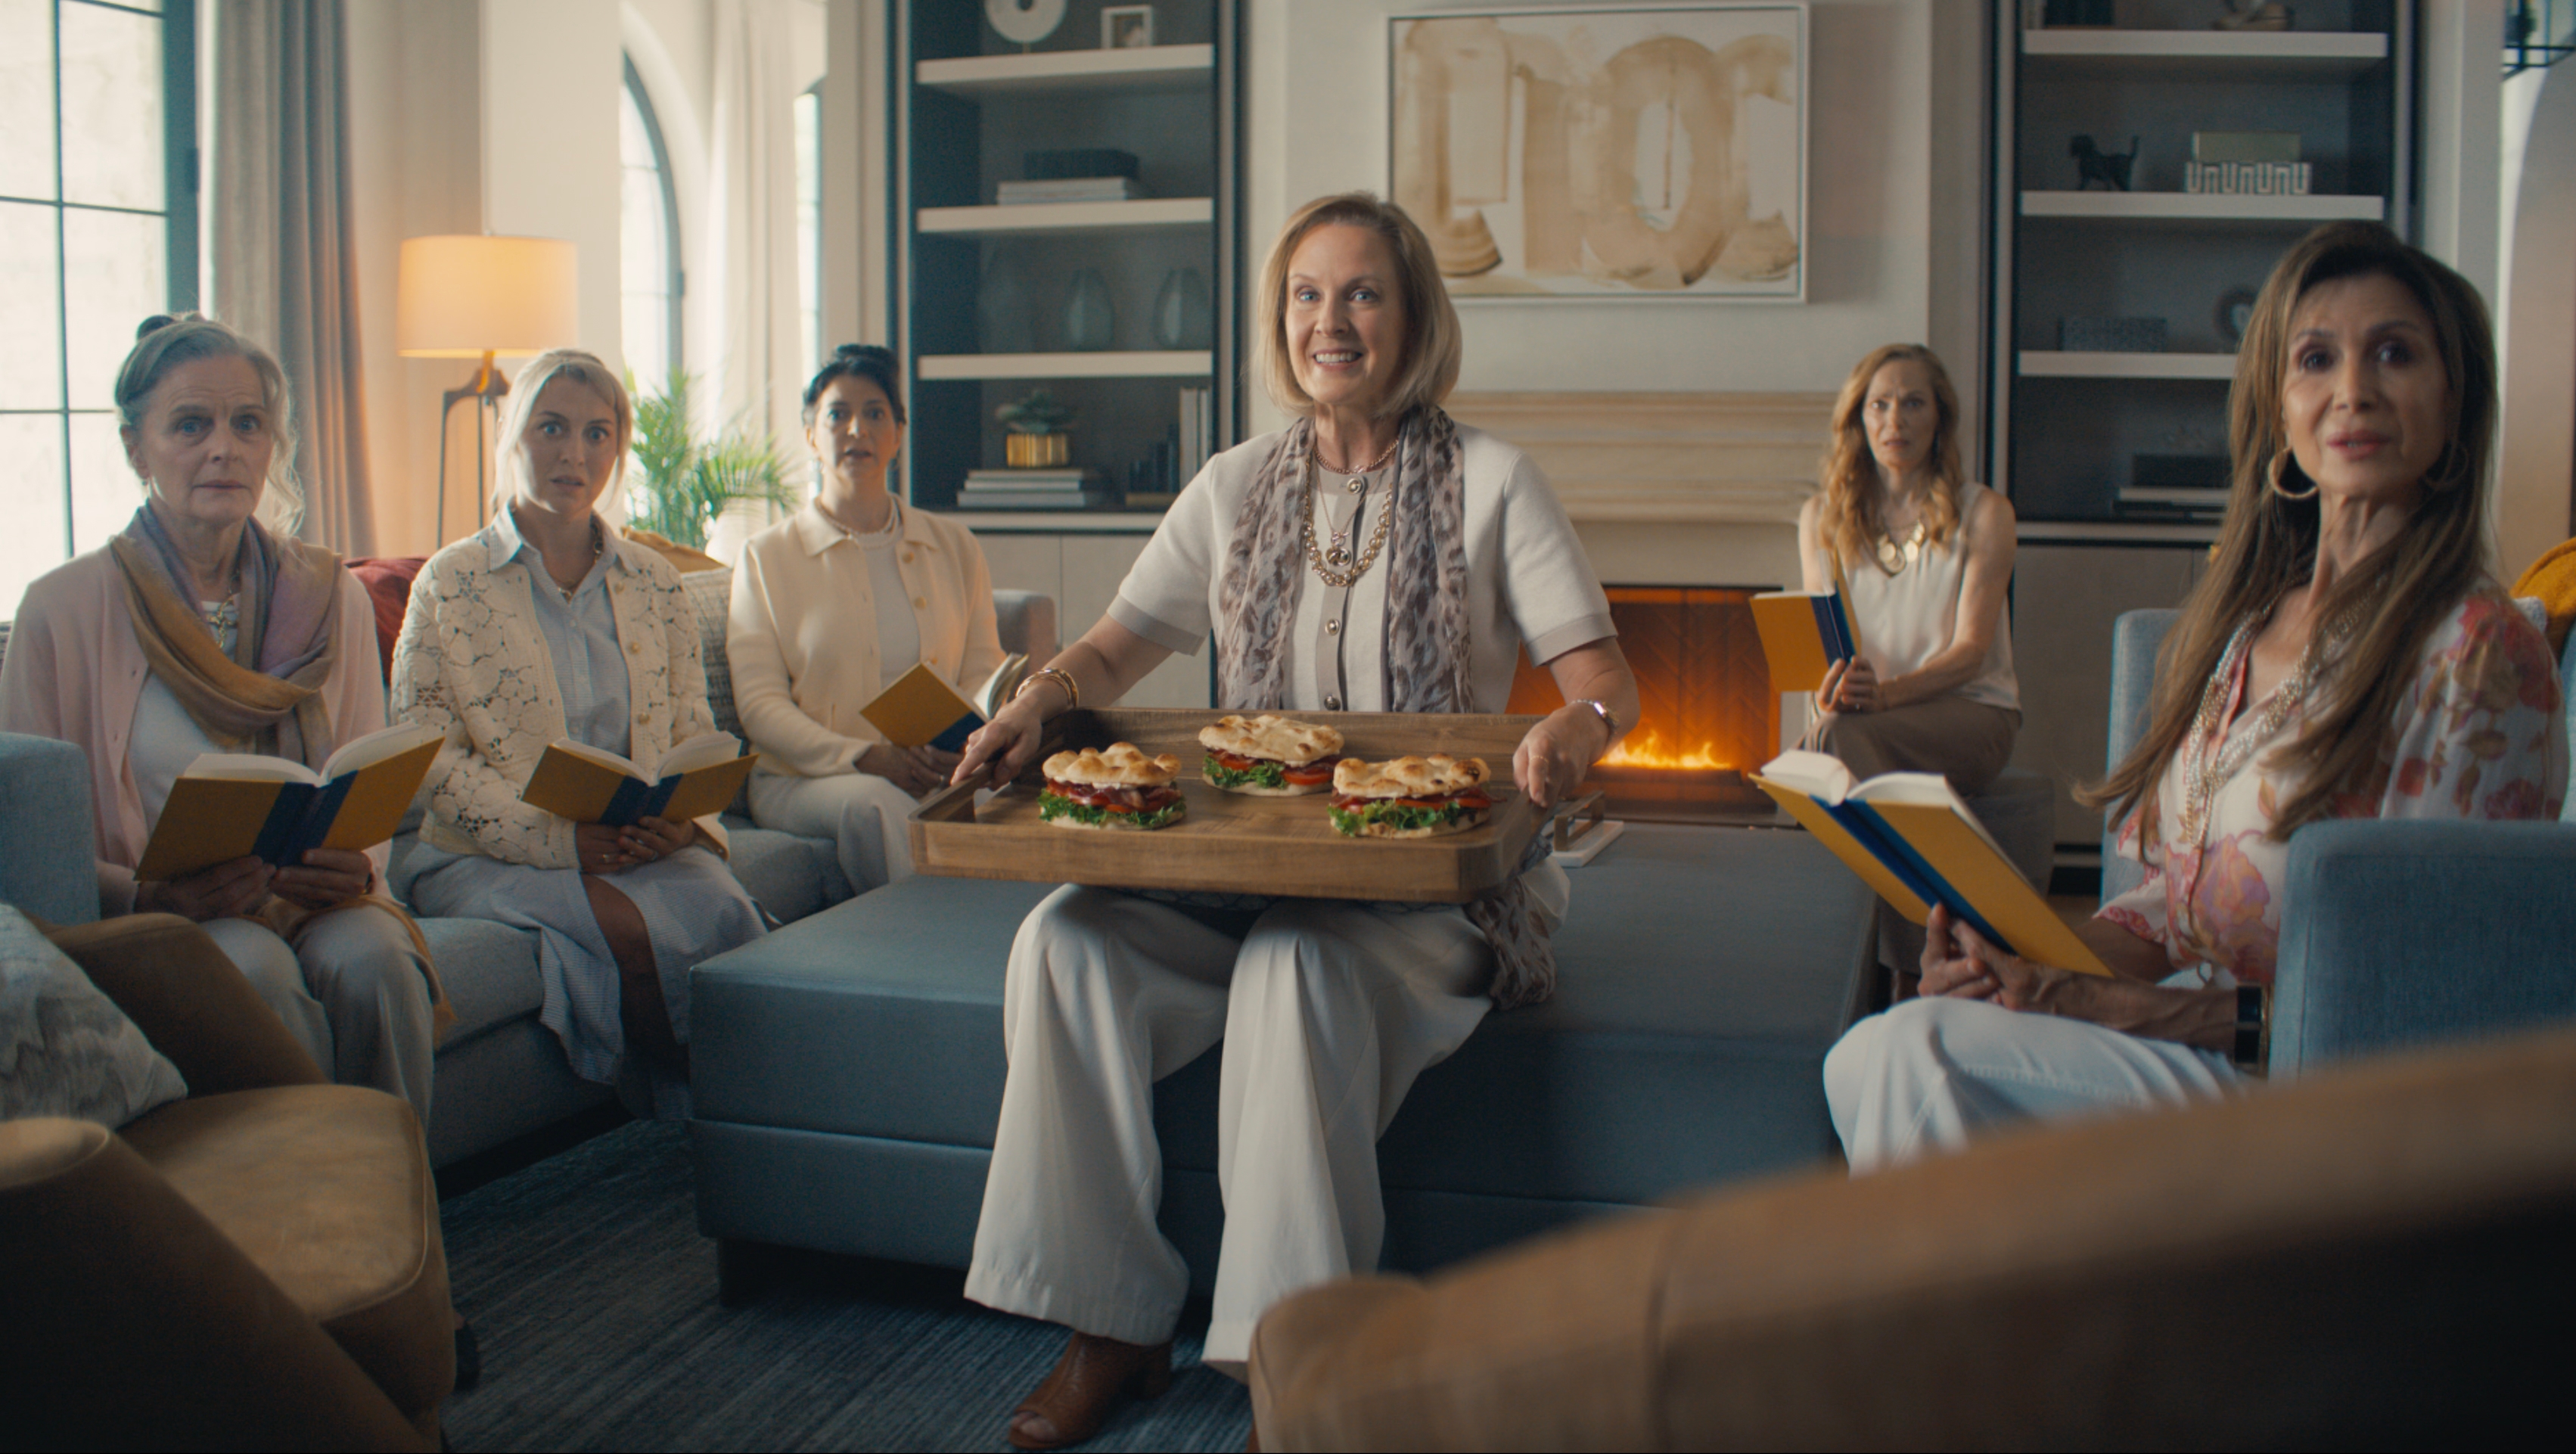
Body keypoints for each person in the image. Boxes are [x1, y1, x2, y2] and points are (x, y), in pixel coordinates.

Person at [951, 191, 1640, 1449]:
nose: (1333, 320)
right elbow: (1113, 647)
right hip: (1243, 866)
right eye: (1308, 295)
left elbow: (1606, 683)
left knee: (1294, 961)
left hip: (1425, 893)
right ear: (1282, 320)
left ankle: (1299, 1361)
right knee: (1062, 942)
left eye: (1363, 292)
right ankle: (1110, 1320)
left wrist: (1569, 732)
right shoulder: (1231, 485)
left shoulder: (1496, 482)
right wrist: (1038, 700)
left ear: (1413, 317)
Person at [1824, 221, 2565, 1171]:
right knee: (1874, 1050)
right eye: (2316, 359)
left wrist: (2121, 1008)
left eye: (2394, 353)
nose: (2353, 390)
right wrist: (2011, 964)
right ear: (2279, 410)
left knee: (1918, 1055)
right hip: (2192, 1043)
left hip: (2331, 1096)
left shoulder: (2476, 652)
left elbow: (2425, 996)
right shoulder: (2245, 628)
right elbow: (2166, 908)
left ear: (2453, 399)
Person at [0, 314, 442, 1121]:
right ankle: (301, 1192)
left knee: (379, 958)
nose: (224, 448)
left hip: (311, 894)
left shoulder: (331, 595)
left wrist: (357, 865)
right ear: (136, 449)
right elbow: (29, 841)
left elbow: (361, 769)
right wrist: (150, 898)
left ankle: (398, 1184)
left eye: (248, 423)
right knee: (253, 970)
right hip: (169, 917)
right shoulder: (61, 609)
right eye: (190, 425)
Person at [388, 350, 766, 1114]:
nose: (575, 454)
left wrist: (680, 822)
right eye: (552, 428)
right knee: (627, 928)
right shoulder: (450, 582)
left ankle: (757, 1112)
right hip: (479, 851)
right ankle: (707, 1115)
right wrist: (562, 842)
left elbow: (692, 725)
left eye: (598, 433)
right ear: (513, 436)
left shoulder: (654, 580)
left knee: (728, 911)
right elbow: (428, 759)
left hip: (632, 839)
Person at [727, 343, 1003, 896]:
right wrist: (866, 757)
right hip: (808, 778)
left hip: (937, 765)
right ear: (811, 434)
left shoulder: (953, 545)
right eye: (838, 414)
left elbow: (983, 668)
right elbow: (760, 707)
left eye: (875, 413)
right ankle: (930, 940)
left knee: (1016, 794)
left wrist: (960, 747)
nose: (858, 429)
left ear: (898, 434)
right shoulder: (765, 557)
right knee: (876, 803)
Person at [1795, 343, 2020, 797]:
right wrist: (1833, 693)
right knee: (1831, 732)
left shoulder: (1986, 513)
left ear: (1940, 418)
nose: (1894, 420)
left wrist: (1885, 696)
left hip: (1969, 712)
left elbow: (1970, 654)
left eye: (1913, 403)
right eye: (1880, 404)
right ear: (1859, 418)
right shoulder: (1820, 517)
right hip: (1862, 718)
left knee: (1828, 744)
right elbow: (1823, 649)